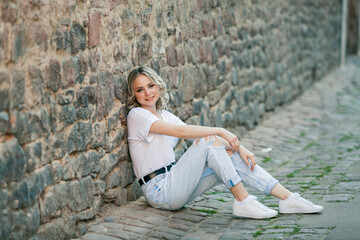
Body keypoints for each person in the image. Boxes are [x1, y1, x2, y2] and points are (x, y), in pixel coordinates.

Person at [125, 66, 323, 219]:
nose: (147, 93)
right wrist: (222, 131)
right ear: (134, 95)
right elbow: (182, 132)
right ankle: (243, 200)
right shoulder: (137, 115)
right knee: (210, 141)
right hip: (159, 191)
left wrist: (240, 148)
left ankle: (288, 199)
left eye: (150, 86)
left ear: (158, 86)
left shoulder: (164, 115)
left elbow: (197, 136)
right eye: (140, 90)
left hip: (177, 182)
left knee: (231, 154)